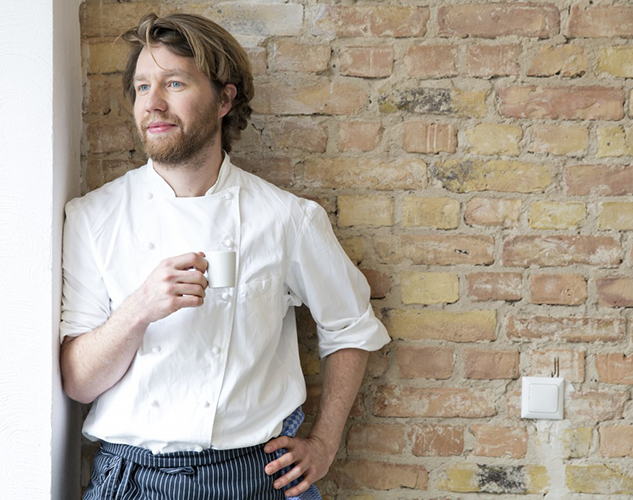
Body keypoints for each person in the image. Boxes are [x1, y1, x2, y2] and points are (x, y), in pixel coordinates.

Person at [59, 12, 390, 500]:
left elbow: (351, 327)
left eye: (174, 83)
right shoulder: (93, 217)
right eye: (142, 86)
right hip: (130, 481)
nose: (153, 103)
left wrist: (323, 444)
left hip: (256, 477)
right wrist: (141, 307)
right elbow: (79, 382)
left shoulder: (285, 218)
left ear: (224, 99)